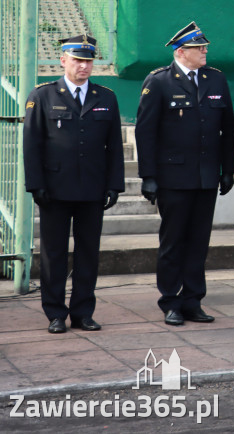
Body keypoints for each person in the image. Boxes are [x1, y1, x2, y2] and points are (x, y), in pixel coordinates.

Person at [136, 22, 234, 326]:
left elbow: (226, 128)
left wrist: (228, 169)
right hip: (173, 178)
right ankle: (170, 301)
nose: (205, 52)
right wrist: (148, 176)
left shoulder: (216, 80)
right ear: (181, 52)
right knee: (173, 241)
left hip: (206, 177)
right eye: (199, 48)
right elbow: (145, 132)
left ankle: (193, 301)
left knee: (198, 242)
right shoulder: (160, 82)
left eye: (205, 47)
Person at [24, 35, 124, 334]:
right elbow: (32, 144)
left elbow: (114, 147)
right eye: (78, 60)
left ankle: (83, 312)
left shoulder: (105, 96)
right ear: (63, 61)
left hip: (92, 188)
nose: (84, 66)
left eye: (88, 61)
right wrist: (35, 184)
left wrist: (114, 184)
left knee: (88, 252)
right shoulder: (43, 95)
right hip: (55, 188)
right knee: (53, 253)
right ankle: (55, 313)